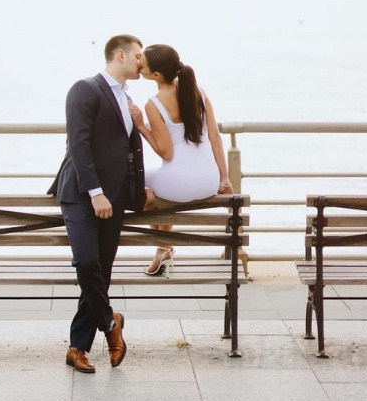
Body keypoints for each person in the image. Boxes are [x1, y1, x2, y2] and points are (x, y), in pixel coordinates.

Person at [48, 34, 146, 374]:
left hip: (116, 196)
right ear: (119, 55)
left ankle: (77, 348)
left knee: (101, 273)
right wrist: (95, 192)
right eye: (137, 56)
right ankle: (110, 323)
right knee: (87, 263)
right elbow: (79, 144)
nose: (141, 62)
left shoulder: (128, 98)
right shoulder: (85, 89)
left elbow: (126, 150)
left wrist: (138, 188)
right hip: (80, 192)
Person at [128, 43, 232, 276]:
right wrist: (224, 178)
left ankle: (162, 246)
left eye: (141, 63)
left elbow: (166, 153)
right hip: (209, 181)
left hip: (179, 185)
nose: (138, 65)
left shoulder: (154, 104)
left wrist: (141, 126)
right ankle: (162, 248)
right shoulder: (199, 92)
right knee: (152, 186)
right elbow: (215, 137)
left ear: (156, 75)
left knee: (140, 188)